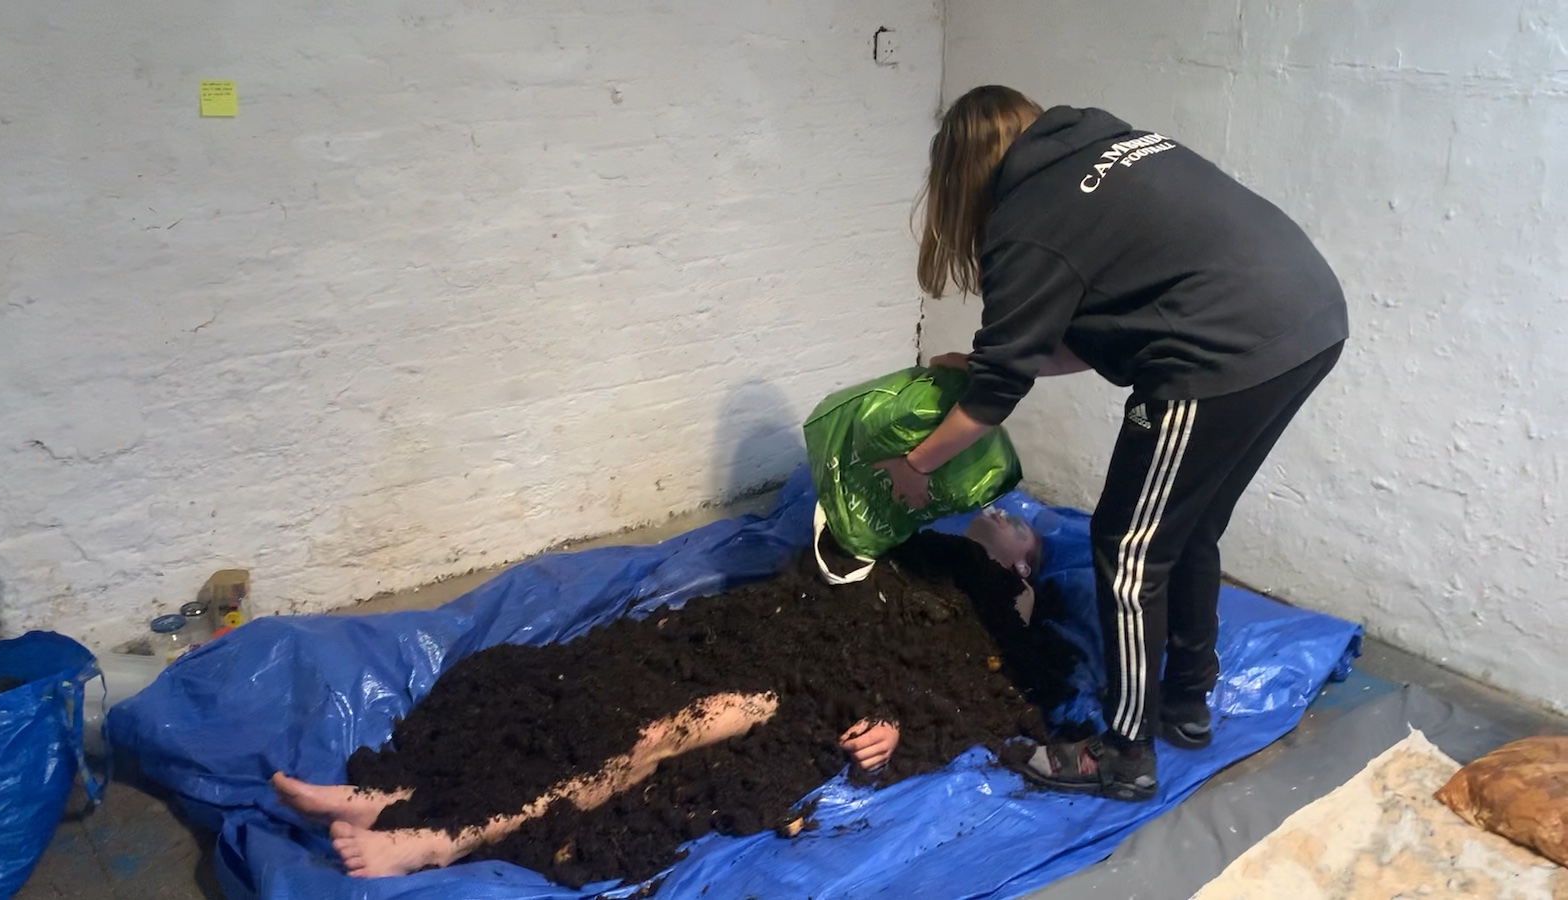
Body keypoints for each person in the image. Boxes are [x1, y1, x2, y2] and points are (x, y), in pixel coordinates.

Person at [877, 86, 1348, 802]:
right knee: (1188, 526)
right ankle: (1187, 703)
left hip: (1220, 354)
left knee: (1127, 547)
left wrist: (915, 467)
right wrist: (991, 363)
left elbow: (998, 398)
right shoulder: (1106, 151)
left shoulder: (1028, 217)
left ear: (961, 173)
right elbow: (1092, 336)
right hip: (1307, 321)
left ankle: (1124, 752)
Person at [273, 508, 1043, 877]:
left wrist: (897, 732)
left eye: (1019, 526)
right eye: (998, 509)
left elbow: (973, 704)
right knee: (568, 687)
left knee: (650, 735)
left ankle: (443, 838)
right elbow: (812, 578)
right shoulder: (904, 543)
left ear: (1022, 566)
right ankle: (400, 791)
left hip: (788, 698)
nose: (1004, 515)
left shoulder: (989, 612)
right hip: (732, 635)